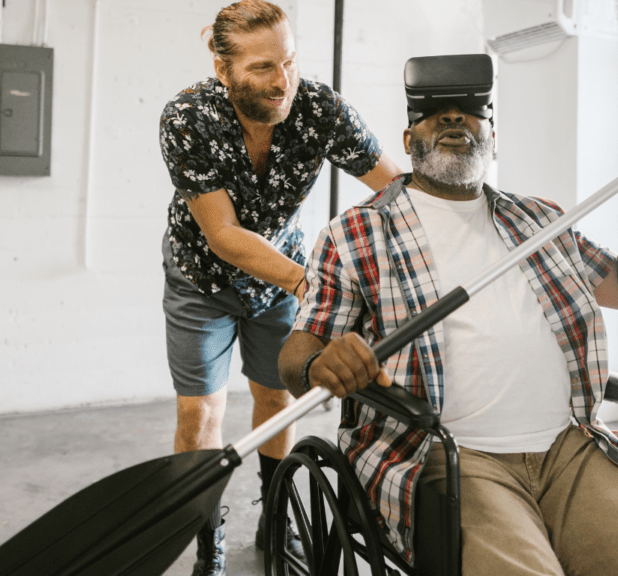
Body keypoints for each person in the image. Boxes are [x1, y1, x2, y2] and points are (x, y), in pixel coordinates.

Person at [278, 54, 618, 575]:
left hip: (569, 446)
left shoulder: (541, 220)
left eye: (469, 109)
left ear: (492, 137)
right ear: (406, 139)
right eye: (433, 111)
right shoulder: (356, 233)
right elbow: (297, 352)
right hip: (446, 457)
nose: (451, 117)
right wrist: (319, 366)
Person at [157, 1, 402, 574]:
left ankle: (274, 518)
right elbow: (221, 233)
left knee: (274, 397)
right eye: (264, 67)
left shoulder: (318, 108)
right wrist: (314, 281)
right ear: (224, 70)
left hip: (278, 281)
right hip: (203, 280)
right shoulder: (186, 118)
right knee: (201, 417)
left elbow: (395, 191)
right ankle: (207, 542)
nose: (282, 81)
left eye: (289, 61)